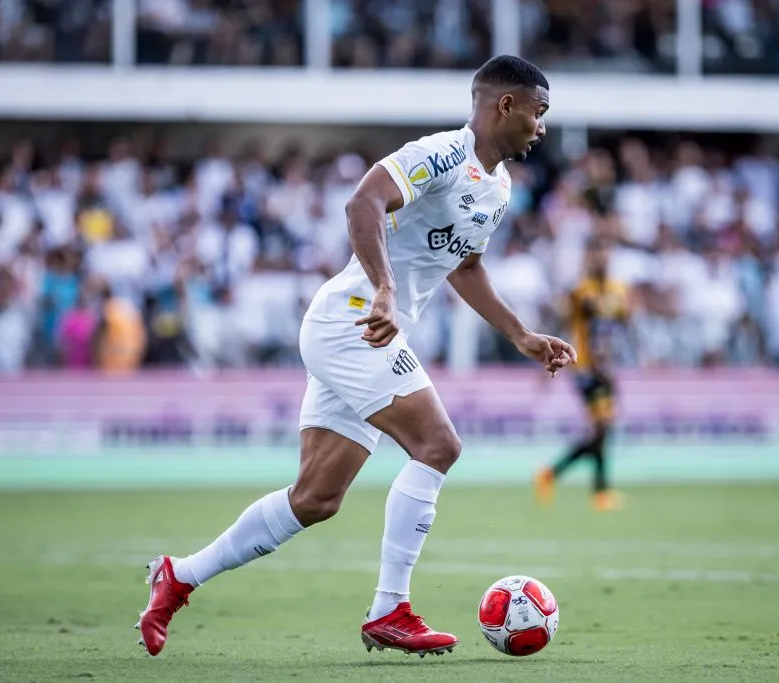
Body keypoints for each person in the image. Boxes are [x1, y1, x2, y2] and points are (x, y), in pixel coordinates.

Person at [136, 55, 576, 658]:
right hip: (354, 322)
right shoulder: (444, 152)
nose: (542, 127)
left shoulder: (497, 188)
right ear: (507, 105)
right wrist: (386, 289)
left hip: (364, 333)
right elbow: (362, 203)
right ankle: (390, 609)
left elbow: (465, 265)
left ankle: (177, 576)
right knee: (439, 445)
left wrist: (521, 335)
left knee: (315, 499)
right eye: (539, 112)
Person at [535, 240, 628, 511]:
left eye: (605, 254)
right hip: (586, 367)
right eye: (596, 255)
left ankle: (555, 476)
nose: (602, 260)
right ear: (589, 260)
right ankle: (597, 490)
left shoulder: (618, 290)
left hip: (606, 368)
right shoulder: (580, 293)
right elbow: (565, 325)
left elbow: (620, 327)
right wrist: (546, 356)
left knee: (602, 429)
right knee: (602, 427)